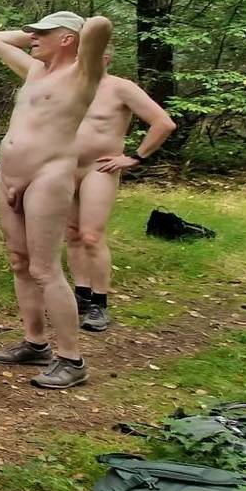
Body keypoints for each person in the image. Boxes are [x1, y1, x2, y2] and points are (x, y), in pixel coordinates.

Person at [0, 11, 113, 390]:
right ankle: (35, 342)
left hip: (47, 177)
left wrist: (74, 29)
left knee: (45, 269)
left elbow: (100, 26)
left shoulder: (82, 73)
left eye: (43, 33)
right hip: (9, 175)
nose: (33, 37)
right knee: (19, 261)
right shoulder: (34, 71)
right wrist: (38, 35)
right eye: (33, 33)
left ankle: (72, 359)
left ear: (68, 39)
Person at [67, 54, 176, 331]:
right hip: (66, 168)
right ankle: (81, 294)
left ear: (105, 56)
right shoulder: (66, 86)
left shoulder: (120, 87)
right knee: (72, 233)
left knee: (91, 236)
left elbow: (163, 123)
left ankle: (99, 303)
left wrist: (135, 157)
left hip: (99, 168)